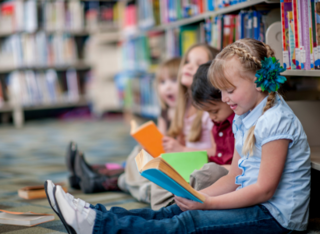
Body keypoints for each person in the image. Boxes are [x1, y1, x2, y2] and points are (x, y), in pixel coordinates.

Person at [46, 38, 310, 233]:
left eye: (229, 90)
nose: (224, 98)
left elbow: (264, 190)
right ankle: (94, 215)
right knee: (175, 210)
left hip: (276, 219)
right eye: (221, 91)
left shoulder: (275, 121)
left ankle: (96, 227)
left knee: (189, 222)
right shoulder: (243, 115)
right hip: (254, 204)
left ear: (257, 81)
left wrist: (208, 203)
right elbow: (234, 176)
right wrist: (198, 197)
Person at [65, 57, 181, 197]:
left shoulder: (186, 114)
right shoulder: (165, 112)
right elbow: (161, 141)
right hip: (163, 157)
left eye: (174, 81)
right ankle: (89, 173)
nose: (167, 87)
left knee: (132, 166)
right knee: (134, 159)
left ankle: (95, 177)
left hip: (173, 162)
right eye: (163, 82)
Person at [151, 60, 235, 210]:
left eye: (214, 111)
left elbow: (235, 166)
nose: (211, 117)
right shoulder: (217, 121)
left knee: (207, 172)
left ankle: (174, 201)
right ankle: (170, 200)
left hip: (221, 172)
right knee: (161, 168)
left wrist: (182, 150)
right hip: (207, 166)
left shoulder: (236, 123)